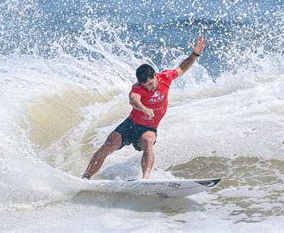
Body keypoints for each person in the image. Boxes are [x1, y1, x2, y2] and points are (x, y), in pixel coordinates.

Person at [82, 35, 207, 180]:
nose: (148, 88)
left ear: (155, 76)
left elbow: (182, 67)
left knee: (148, 141)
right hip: (131, 124)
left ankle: (145, 179)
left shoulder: (165, 77)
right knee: (109, 144)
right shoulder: (138, 87)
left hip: (148, 128)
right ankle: (86, 177)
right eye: (144, 86)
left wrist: (196, 54)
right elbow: (133, 100)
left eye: (150, 84)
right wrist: (142, 107)